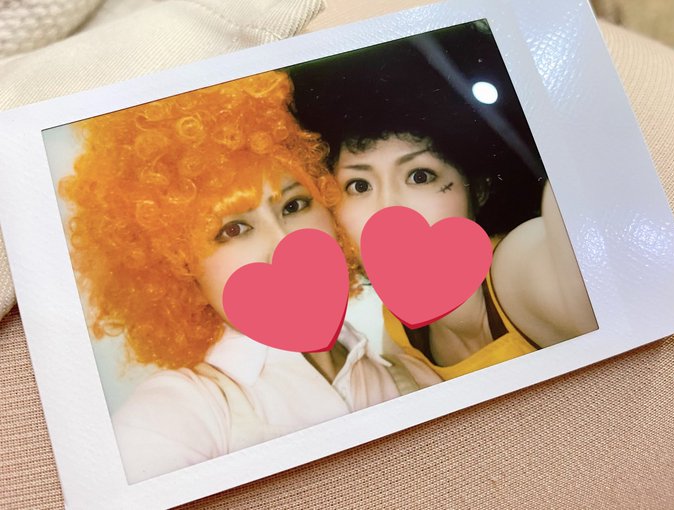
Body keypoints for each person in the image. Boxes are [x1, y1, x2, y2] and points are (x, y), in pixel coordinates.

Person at [59, 71, 440, 483]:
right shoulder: (176, 419)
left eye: (294, 206)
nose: (284, 243)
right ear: (182, 273)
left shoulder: (412, 377)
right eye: (233, 229)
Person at [290, 21, 598, 380]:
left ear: (478, 190)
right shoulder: (398, 332)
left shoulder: (518, 270)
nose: (389, 210)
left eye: (420, 176)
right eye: (359, 185)